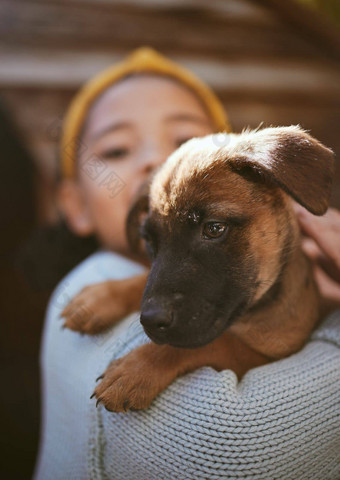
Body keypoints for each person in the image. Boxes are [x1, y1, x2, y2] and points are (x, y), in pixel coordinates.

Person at [34, 48, 340, 480]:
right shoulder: (87, 283)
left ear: (275, 184)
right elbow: (238, 444)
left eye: (183, 142)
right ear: (73, 204)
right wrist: (165, 355)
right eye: (117, 149)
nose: (155, 164)